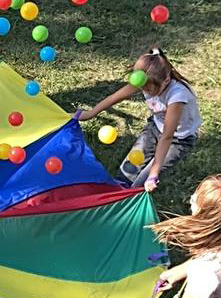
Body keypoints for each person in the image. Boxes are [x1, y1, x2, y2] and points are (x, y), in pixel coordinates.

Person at [79, 48, 201, 191]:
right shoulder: (145, 80)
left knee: (143, 181)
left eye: (149, 90)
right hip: (155, 127)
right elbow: (115, 98)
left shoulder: (177, 97)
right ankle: (118, 193)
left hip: (179, 139)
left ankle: (131, 200)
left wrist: (153, 174)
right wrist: (90, 113)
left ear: (166, 80)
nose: (145, 91)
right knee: (128, 170)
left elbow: (167, 136)